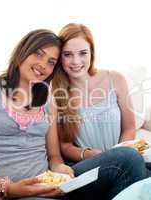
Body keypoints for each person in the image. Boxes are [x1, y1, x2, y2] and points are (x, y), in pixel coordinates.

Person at [0, 29, 73, 200]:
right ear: (23, 51)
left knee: (124, 159)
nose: (43, 65)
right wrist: (8, 188)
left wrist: (60, 169)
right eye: (38, 54)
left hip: (45, 190)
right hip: (0, 194)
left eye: (51, 62)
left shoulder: (49, 100)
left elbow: (54, 156)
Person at [51, 23, 147, 199]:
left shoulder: (115, 79)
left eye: (82, 53)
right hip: (84, 165)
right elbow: (64, 146)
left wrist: (119, 151)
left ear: (91, 53)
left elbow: (129, 128)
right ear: (59, 57)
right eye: (67, 55)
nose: (76, 61)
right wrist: (88, 153)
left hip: (123, 158)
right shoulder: (56, 93)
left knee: (139, 168)